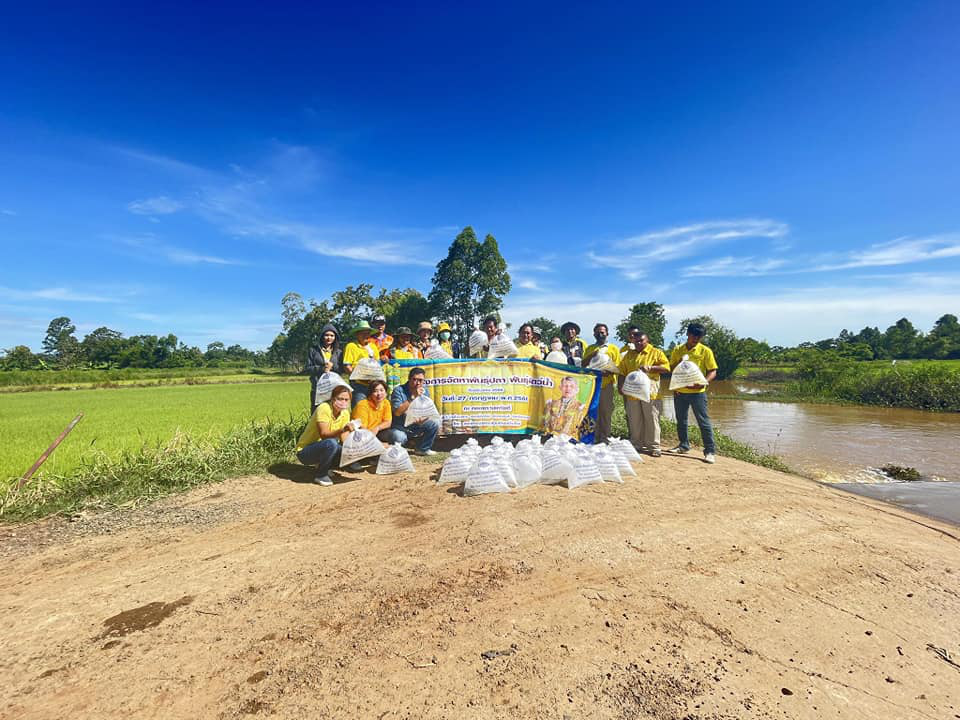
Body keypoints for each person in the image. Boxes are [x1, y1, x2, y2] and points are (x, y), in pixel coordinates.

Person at [668, 322, 719, 463]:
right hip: (680, 391)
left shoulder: (705, 351)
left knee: (703, 421)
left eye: (699, 336)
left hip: (698, 392)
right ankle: (683, 445)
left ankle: (709, 451)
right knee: (681, 420)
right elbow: (672, 369)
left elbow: (712, 371)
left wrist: (704, 382)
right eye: (693, 335)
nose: (696, 339)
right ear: (688, 334)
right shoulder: (678, 350)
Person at [618, 327, 670, 456]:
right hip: (632, 394)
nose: (639, 343)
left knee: (652, 419)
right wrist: (620, 387)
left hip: (650, 393)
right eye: (636, 341)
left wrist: (651, 368)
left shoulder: (656, 352)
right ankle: (636, 444)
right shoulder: (629, 355)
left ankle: (654, 446)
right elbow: (622, 373)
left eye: (641, 341)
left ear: (647, 340)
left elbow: (666, 368)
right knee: (635, 420)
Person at [295, 384, 354, 486]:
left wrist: (352, 450)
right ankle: (321, 475)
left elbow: (344, 438)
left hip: (326, 447)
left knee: (346, 449)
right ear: (333, 398)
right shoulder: (324, 408)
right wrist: (343, 429)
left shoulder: (345, 413)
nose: (343, 402)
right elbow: (324, 434)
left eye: (346, 400)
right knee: (331, 443)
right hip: (306, 452)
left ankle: (325, 466)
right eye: (340, 399)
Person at [583, 323, 621, 443]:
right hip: (592, 385)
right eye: (598, 332)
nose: (600, 334)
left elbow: (617, 367)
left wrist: (607, 371)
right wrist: (591, 355)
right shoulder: (589, 348)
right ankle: (594, 437)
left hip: (606, 385)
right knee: (593, 411)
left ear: (607, 334)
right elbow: (584, 365)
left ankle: (605, 438)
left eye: (602, 332)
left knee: (605, 412)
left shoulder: (613, 348)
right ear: (594, 334)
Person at [387, 367, 439, 455]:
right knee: (399, 438)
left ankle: (423, 449)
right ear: (409, 379)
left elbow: (427, 410)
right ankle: (397, 450)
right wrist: (413, 396)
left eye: (420, 380)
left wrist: (423, 418)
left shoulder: (425, 390)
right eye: (414, 379)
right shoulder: (398, 390)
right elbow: (397, 412)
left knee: (435, 423)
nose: (417, 383)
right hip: (400, 426)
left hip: (416, 424)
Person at [348, 379, 393, 470]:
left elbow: (388, 422)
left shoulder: (386, 403)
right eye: (375, 391)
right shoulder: (363, 405)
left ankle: (374, 456)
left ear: (386, 392)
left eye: (381, 390)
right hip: (359, 436)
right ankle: (354, 460)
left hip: (374, 433)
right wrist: (379, 444)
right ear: (370, 394)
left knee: (394, 435)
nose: (379, 394)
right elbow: (362, 430)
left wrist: (377, 428)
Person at [305, 323, 342, 415]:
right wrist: (322, 368)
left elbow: (342, 369)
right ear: (322, 336)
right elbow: (308, 368)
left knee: (334, 413)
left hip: (334, 389)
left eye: (332, 335)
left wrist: (332, 367)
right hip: (318, 388)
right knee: (316, 414)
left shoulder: (339, 352)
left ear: (335, 337)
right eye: (326, 335)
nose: (329, 338)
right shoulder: (313, 350)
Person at [342, 320, 379, 405]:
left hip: (373, 384)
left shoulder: (373, 347)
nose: (366, 335)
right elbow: (347, 366)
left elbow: (377, 365)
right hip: (358, 385)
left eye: (367, 333)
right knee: (359, 408)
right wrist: (359, 377)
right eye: (363, 333)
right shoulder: (351, 346)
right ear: (357, 334)